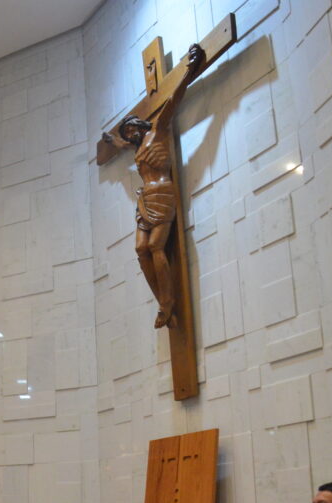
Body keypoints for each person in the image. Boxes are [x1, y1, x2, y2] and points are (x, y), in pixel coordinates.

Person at [112, 43, 205, 329]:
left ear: (141, 125)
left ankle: (167, 302)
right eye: (127, 133)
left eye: (132, 129)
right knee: (141, 251)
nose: (130, 135)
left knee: (155, 246)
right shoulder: (137, 150)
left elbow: (173, 101)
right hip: (145, 200)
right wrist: (109, 144)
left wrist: (190, 69)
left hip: (163, 192)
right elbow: (117, 147)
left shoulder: (158, 131)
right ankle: (162, 301)